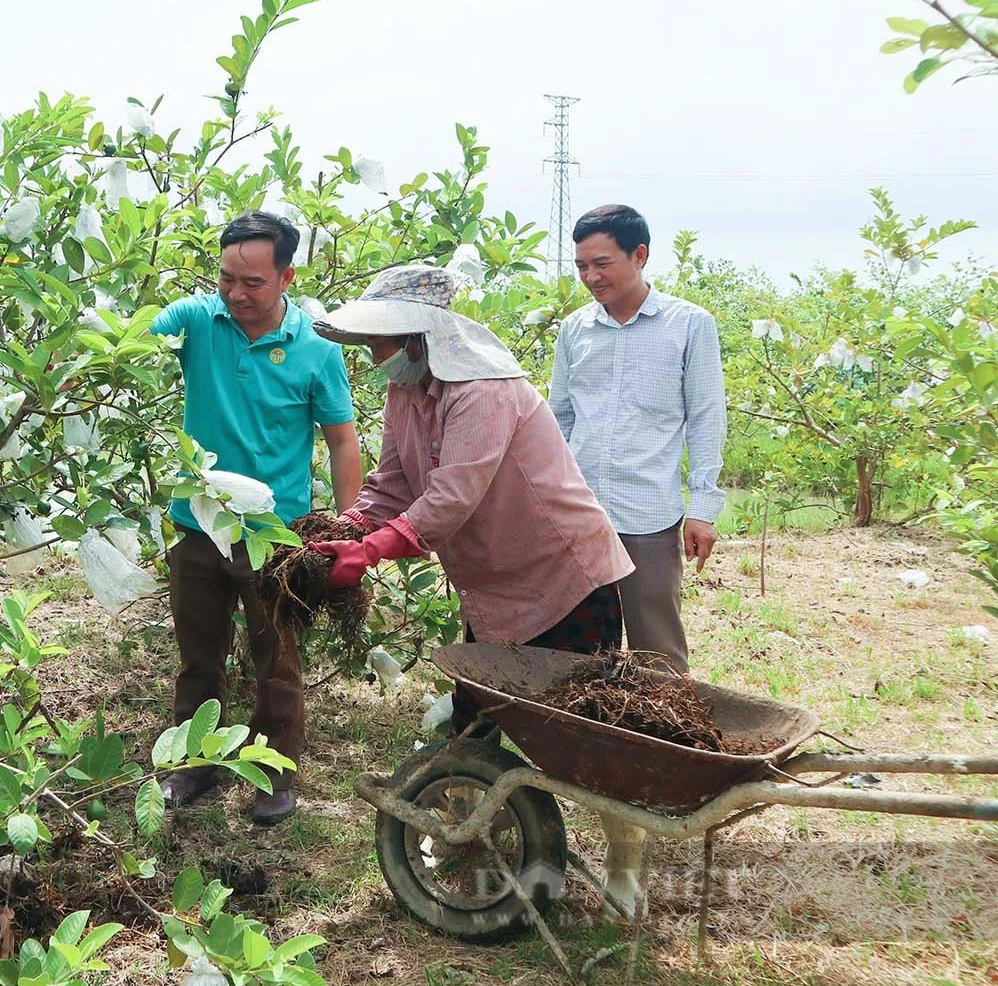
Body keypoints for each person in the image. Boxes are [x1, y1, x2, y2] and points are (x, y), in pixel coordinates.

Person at [304, 262, 645, 918]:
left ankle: (626, 866)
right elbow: (394, 483)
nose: (372, 355)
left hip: (564, 579)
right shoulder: (408, 395)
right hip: (492, 589)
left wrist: (371, 551)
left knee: (588, 735)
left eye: (380, 342)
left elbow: (451, 497)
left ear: (415, 338)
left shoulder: (481, 389)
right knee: (476, 723)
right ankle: (470, 848)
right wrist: (349, 527)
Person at [149, 211, 363, 826]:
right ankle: (195, 764)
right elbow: (134, 338)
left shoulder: (317, 348)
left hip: (276, 534)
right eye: (226, 279)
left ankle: (274, 776)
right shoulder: (195, 321)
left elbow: (342, 441)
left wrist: (344, 531)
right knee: (198, 652)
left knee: (276, 658)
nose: (236, 294)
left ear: (287, 276)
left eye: (253, 283)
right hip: (196, 524)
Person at [549, 204, 727, 677]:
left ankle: (667, 744)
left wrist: (704, 508)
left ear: (640, 255)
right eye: (582, 266)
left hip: (647, 511)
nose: (591, 276)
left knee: (657, 650)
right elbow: (559, 419)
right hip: (579, 511)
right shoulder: (574, 330)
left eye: (602, 263)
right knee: (577, 642)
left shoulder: (689, 325)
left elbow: (707, 419)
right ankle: (583, 741)